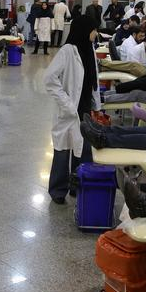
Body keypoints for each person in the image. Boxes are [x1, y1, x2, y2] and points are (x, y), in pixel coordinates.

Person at [43, 17, 101, 204]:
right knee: (63, 151)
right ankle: (58, 191)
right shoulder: (68, 51)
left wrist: (97, 106)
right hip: (69, 109)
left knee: (83, 150)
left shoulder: (90, 49)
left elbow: (94, 80)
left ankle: (77, 186)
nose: (96, 33)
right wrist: (66, 103)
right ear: (85, 29)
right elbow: (49, 79)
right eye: (94, 29)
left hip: (85, 108)